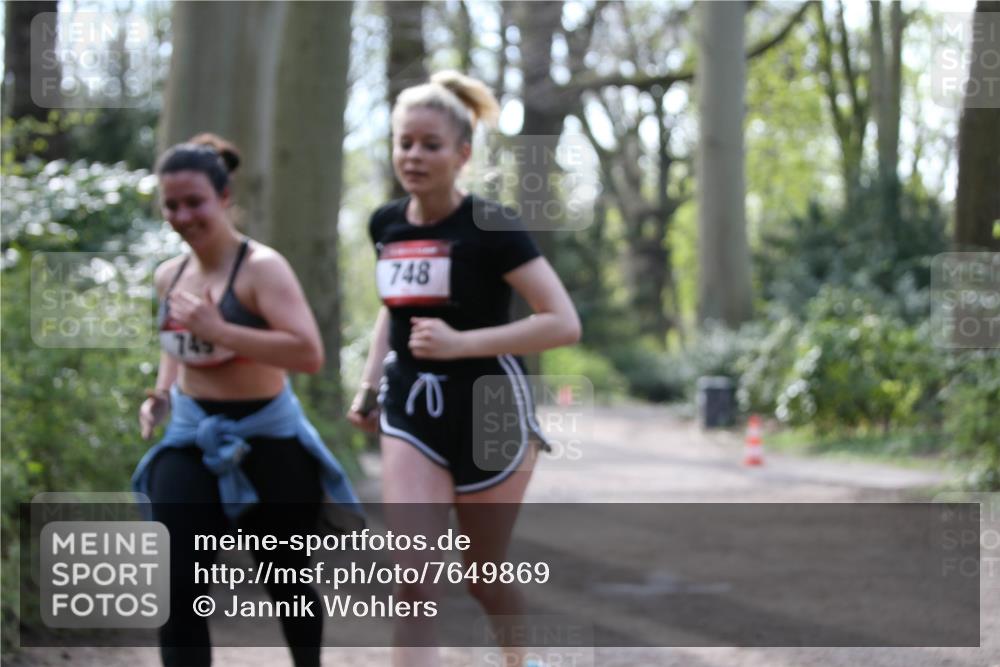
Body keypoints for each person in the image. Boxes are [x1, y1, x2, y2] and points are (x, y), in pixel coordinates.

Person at [347, 71, 581, 667]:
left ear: (463, 154)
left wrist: (460, 343)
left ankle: (516, 660)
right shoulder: (386, 224)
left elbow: (561, 321)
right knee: (414, 582)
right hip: (411, 409)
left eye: (430, 144)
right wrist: (371, 385)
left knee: (483, 575)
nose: (414, 156)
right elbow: (391, 311)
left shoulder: (492, 226)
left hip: (489, 411)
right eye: (404, 142)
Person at [131, 134, 361, 667]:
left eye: (195, 202)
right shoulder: (170, 274)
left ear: (225, 196)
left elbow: (308, 353)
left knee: (288, 583)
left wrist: (223, 329)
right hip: (191, 435)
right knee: (178, 585)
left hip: (268, 439)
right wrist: (161, 395)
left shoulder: (262, 269)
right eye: (172, 204)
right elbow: (176, 343)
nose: (183, 215)